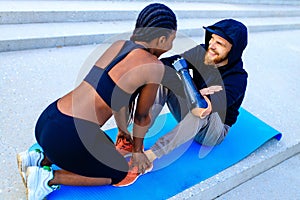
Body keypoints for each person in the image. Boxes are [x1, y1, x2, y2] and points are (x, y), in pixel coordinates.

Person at [16, 3, 177, 199]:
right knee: (118, 173)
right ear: (162, 39)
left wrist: (122, 131)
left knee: (106, 146)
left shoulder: (118, 45)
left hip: (49, 118)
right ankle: (48, 178)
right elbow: (142, 116)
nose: (170, 47)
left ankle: (39, 157)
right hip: (68, 136)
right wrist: (137, 152)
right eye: (171, 40)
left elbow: (114, 95)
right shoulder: (154, 66)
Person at [118, 19, 248, 166]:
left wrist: (185, 75)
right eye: (212, 39)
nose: (211, 46)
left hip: (212, 132)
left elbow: (202, 107)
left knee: (202, 110)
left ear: (234, 50)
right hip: (192, 109)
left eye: (219, 44)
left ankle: (151, 155)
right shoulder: (203, 51)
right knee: (162, 77)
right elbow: (169, 64)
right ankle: (136, 138)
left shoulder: (238, 78)